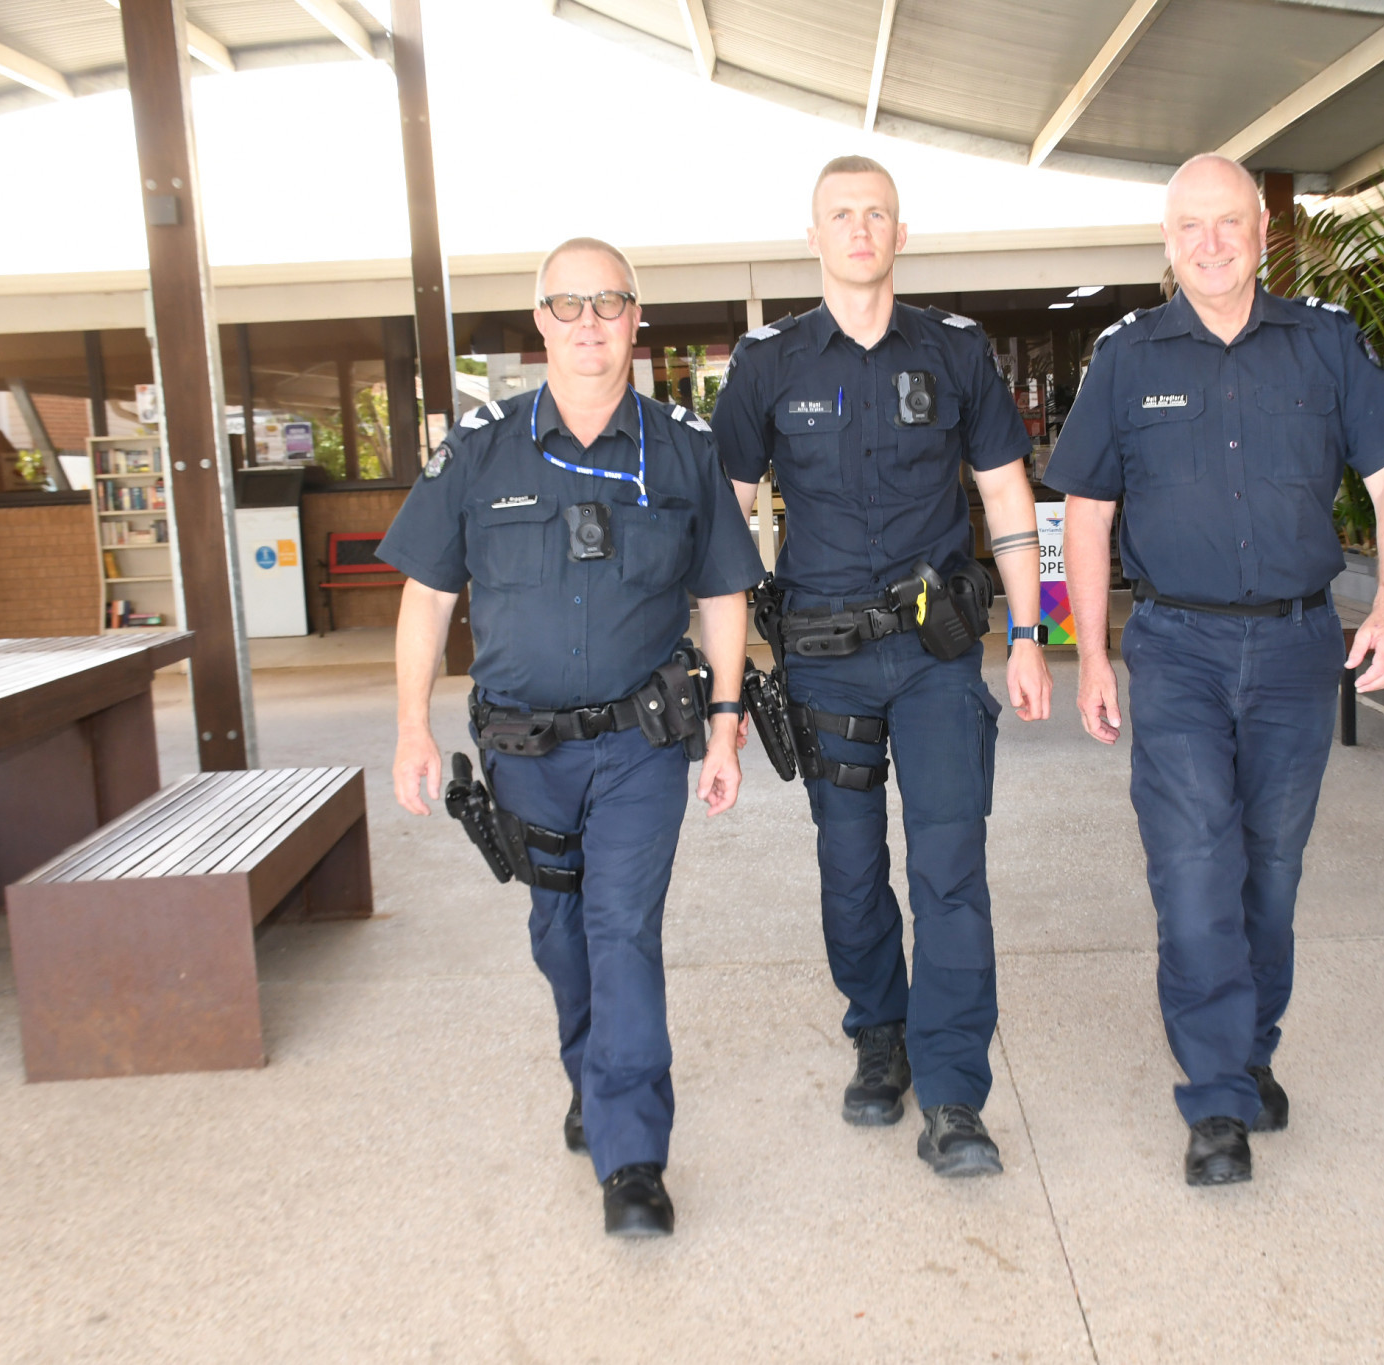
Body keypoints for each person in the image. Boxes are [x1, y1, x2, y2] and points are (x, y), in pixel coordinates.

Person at [1045, 154, 1384, 1187]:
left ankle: (1247, 1046)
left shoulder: (1323, 346)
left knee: (1269, 869)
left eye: (1227, 223)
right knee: (1192, 872)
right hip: (1174, 650)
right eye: (1188, 228)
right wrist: (1085, 652)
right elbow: (1079, 515)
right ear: (1165, 245)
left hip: (1298, 649)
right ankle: (1213, 1097)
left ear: (1261, 231)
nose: (1208, 243)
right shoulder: (1123, 358)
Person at [382, 236, 763, 1237]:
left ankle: (632, 1155)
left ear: (636, 321)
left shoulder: (682, 448)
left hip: (640, 744)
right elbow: (426, 598)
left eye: (609, 304)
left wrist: (724, 729)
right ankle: (591, 1073)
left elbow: (723, 593)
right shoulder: (479, 448)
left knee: (621, 930)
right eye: (568, 305)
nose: (588, 321)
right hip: (521, 754)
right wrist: (409, 727)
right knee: (558, 935)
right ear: (540, 322)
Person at [711, 155, 1052, 1177]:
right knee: (849, 870)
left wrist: (1029, 636)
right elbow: (724, 529)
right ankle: (878, 1031)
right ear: (813, 236)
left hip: (937, 658)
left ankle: (953, 1096)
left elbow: (1003, 495)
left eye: (877, 214)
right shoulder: (766, 362)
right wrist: (724, 693)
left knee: (951, 871)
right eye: (840, 215)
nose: (860, 229)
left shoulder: (954, 351)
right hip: (821, 666)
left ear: (898, 234)